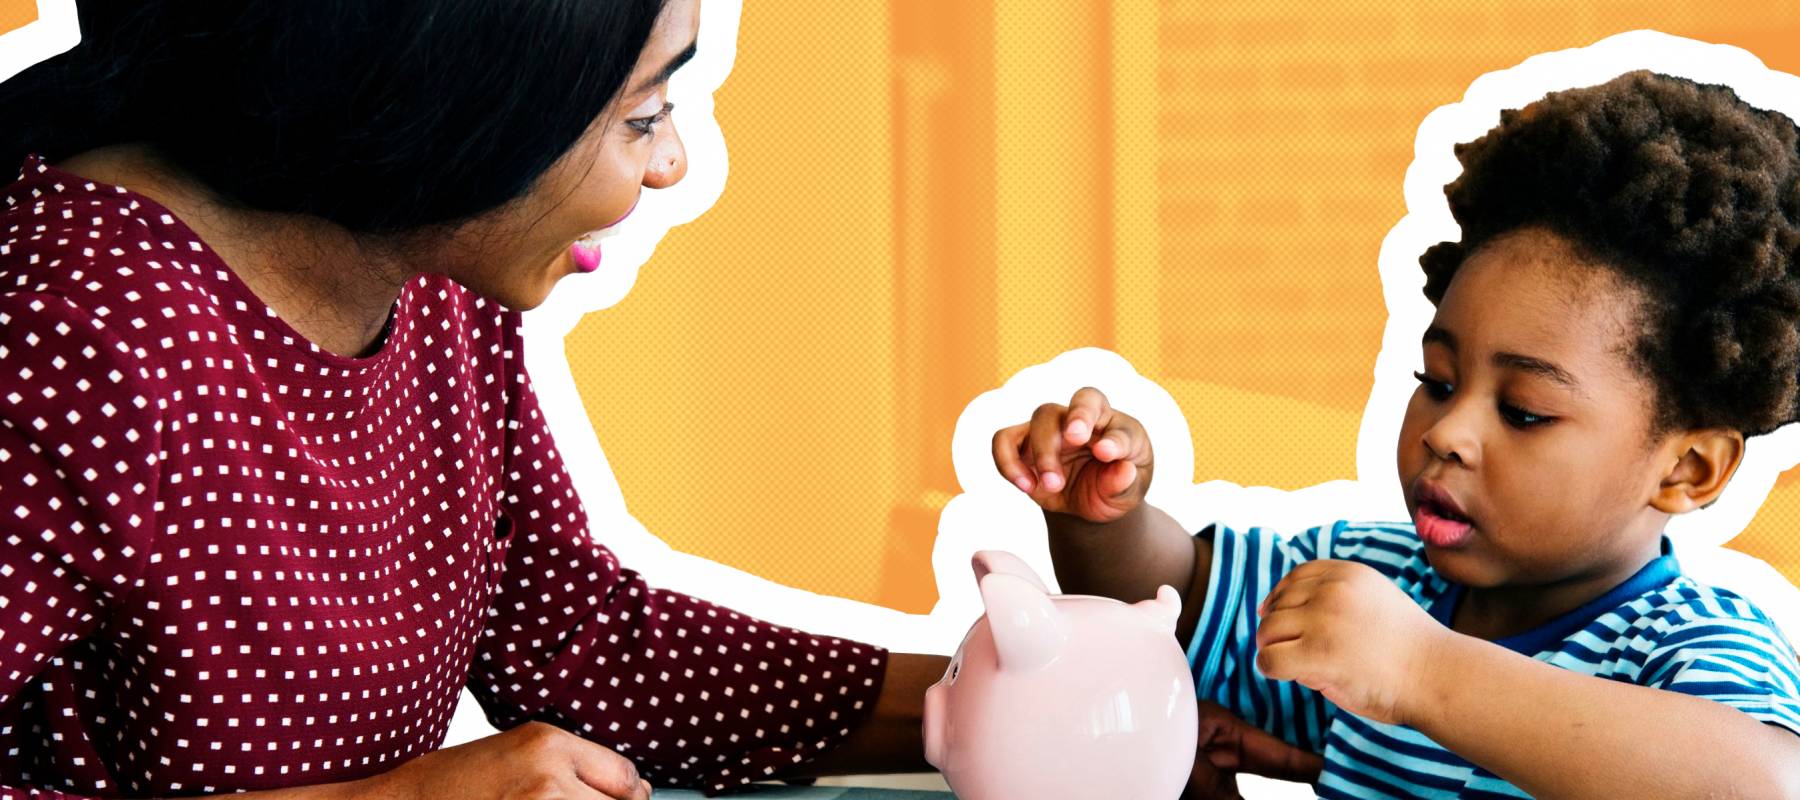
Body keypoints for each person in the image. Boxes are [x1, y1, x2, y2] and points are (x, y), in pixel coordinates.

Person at [0, 1, 1317, 798]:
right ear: (458, 95)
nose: (680, 165)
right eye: (641, 115)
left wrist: (1051, 711)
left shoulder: (416, 255)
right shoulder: (71, 325)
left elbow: (579, 641)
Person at [994, 70, 1800, 798]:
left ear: (1688, 468)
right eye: (1438, 383)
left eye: (1523, 411)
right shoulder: (1379, 579)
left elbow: (1763, 784)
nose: (1447, 431)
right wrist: (1105, 516)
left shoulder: (1691, 646)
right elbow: (1175, 602)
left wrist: (1422, 671)